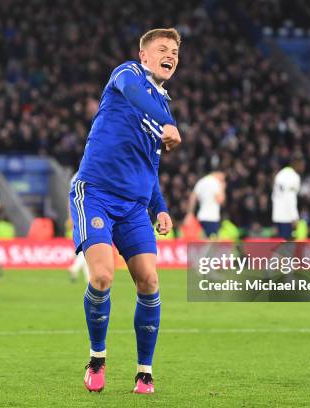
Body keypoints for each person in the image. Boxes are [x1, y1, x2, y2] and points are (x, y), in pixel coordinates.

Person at [70, 28, 182, 394]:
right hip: (97, 194)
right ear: (144, 55)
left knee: (149, 281)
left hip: (135, 206)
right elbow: (136, 95)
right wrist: (167, 122)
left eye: (175, 51)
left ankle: (144, 372)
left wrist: (160, 207)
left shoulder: (163, 108)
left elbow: (150, 167)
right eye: (163, 49)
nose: (171, 55)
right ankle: (97, 359)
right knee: (102, 276)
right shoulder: (127, 75)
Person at [272, 154, 305, 240]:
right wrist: (294, 217)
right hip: (287, 217)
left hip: (277, 215)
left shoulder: (280, 174)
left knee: (282, 243)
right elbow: (290, 198)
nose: (303, 166)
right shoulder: (294, 177)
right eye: (302, 164)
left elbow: (274, 196)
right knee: (287, 246)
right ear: (297, 163)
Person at [185, 171, 226, 238]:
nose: (223, 179)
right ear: (218, 173)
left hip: (201, 217)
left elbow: (192, 198)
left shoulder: (201, 181)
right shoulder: (216, 182)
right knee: (212, 242)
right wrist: (222, 188)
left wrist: (190, 213)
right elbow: (220, 200)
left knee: (204, 240)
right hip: (212, 217)